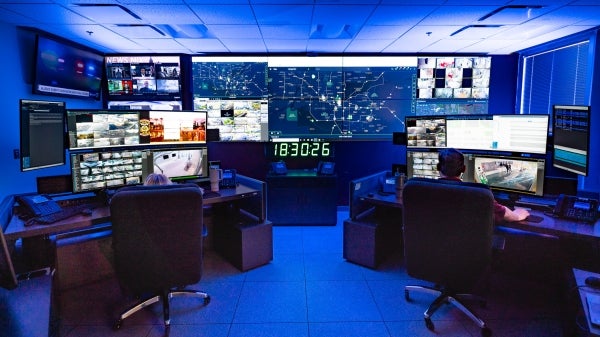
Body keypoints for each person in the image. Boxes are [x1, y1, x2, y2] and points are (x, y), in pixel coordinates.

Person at [437, 148, 530, 223]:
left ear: (438, 168)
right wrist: (517, 216)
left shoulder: (424, 190)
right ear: (464, 169)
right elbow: (502, 213)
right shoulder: (477, 195)